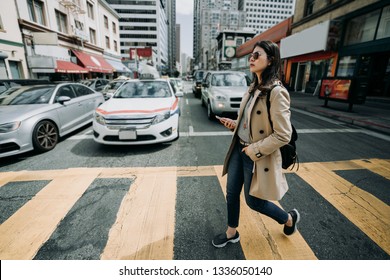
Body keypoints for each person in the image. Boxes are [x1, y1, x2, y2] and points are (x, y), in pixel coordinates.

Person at [212, 40, 300, 248]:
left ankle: (288, 219)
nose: (251, 58)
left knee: (254, 201)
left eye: (257, 55)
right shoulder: (253, 87)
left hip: (255, 155)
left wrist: (254, 149)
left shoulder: (276, 92)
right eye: (251, 55)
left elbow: (283, 134)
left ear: (270, 61)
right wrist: (234, 124)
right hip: (239, 148)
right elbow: (249, 122)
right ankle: (231, 232)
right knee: (232, 193)